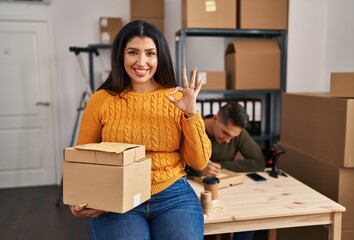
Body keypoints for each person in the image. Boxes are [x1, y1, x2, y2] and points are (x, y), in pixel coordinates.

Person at [69, 20, 212, 240]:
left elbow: (200, 162)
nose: (141, 61)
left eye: (150, 53)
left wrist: (191, 114)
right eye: (133, 52)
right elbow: (83, 159)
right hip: (115, 195)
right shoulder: (101, 100)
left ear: (159, 57)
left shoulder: (178, 98)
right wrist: (77, 200)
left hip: (172, 194)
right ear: (121, 56)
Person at [202, 101, 266, 240]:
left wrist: (221, 166)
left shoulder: (236, 133)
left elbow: (259, 162)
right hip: (195, 189)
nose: (228, 140)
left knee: (248, 216)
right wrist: (199, 167)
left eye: (233, 137)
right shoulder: (194, 127)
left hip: (224, 189)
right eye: (225, 133)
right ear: (216, 117)